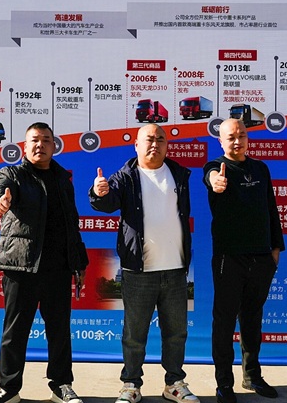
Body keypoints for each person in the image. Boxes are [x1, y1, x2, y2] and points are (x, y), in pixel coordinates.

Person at [89, 123, 198, 403]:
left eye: (160, 139)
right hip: (138, 271)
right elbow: (107, 202)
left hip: (175, 269)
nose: (155, 144)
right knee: (134, 334)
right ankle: (131, 385)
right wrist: (99, 193)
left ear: (167, 145)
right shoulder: (126, 176)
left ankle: (174, 383)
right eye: (149, 139)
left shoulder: (178, 173)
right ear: (136, 145)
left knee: (176, 333)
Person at [0, 122, 89, 403]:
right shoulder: (12, 174)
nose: (40, 145)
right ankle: (8, 389)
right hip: (21, 268)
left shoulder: (63, 179)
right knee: (15, 331)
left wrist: (79, 263)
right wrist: (0, 201)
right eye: (34, 140)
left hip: (58, 268)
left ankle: (61, 385)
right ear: (25, 146)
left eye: (46, 140)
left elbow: (72, 224)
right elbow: (0, 192)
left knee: (59, 331)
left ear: (54, 146)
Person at [203, 118, 285, 403]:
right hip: (229, 257)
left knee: (252, 318)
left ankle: (252, 376)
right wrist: (216, 182)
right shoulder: (215, 167)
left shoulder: (260, 168)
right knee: (224, 321)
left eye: (242, 135)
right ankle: (224, 383)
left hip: (262, 257)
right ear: (220, 141)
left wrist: (276, 248)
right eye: (231, 137)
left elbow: (271, 208)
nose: (237, 141)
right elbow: (212, 178)